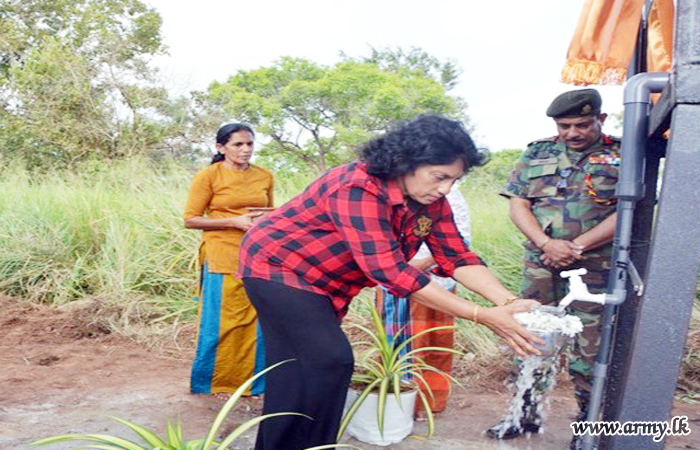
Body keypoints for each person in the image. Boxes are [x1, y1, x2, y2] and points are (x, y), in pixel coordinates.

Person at [238, 114, 544, 450]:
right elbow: (390, 271)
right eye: (440, 177)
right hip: (278, 267)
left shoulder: (432, 202)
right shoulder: (356, 186)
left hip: (327, 284)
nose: (445, 189)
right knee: (327, 360)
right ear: (405, 162)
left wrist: (506, 301)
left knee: (300, 370)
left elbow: (456, 256)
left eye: (454, 181)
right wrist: (480, 314)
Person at [488, 89, 619, 446]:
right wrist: (547, 245)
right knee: (531, 339)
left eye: (582, 124)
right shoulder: (537, 153)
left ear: (601, 120)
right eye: (565, 126)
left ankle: (588, 426)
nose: (573, 133)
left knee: (590, 350)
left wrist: (576, 246)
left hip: (596, 269)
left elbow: (628, 211)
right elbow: (518, 205)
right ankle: (522, 415)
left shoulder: (623, 154)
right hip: (540, 265)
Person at [183, 123, 274, 398]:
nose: (245, 150)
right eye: (238, 145)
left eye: (249, 144)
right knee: (220, 321)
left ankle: (254, 385)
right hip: (222, 254)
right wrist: (234, 221)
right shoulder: (208, 176)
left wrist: (272, 216)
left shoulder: (264, 176)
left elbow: (268, 210)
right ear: (221, 148)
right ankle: (214, 383)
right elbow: (190, 219)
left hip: (257, 254)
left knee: (255, 320)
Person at [376, 186, 471, 419]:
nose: (444, 184)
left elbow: (462, 241)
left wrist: (424, 263)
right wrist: (401, 269)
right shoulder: (384, 194)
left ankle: (430, 404)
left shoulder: (451, 197)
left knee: (436, 344)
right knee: (399, 345)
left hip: (439, 282)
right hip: (396, 280)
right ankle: (398, 404)